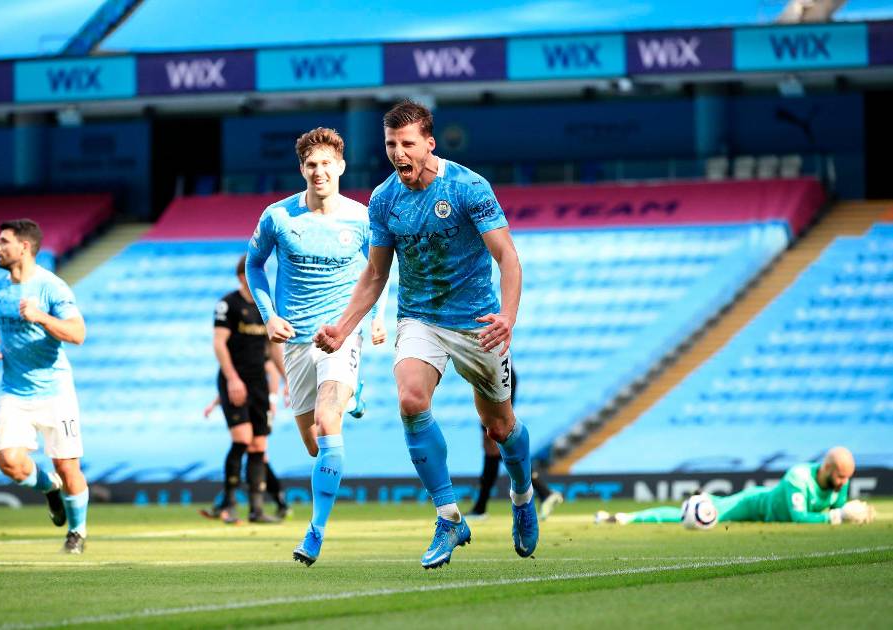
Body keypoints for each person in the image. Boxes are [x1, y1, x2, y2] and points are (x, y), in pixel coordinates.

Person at [314, 100, 538, 569]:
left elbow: (508, 257)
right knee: (411, 400)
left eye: (407, 143)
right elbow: (376, 274)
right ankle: (449, 516)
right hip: (419, 318)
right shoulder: (384, 200)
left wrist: (508, 316)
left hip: (477, 322)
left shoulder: (468, 187)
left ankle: (522, 495)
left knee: (500, 427)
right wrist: (343, 327)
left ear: (429, 144)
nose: (398, 152)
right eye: (391, 144)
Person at [246, 127, 389, 566]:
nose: (319, 171)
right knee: (314, 445)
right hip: (296, 340)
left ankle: (315, 531)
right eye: (312, 164)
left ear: (341, 167)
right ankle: (354, 394)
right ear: (302, 169)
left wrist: (378, 316)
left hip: (340, 334)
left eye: (327, 163)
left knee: (329, 424)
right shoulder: (278, 217)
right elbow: (254, 265)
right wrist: (269, 315)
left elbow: (380, 269)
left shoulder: (361, 218)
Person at [0, 219, 90, 554]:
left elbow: (78, 334)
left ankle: (77, 533)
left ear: (24, 247)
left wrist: (41, 316)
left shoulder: (51, 287)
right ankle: (49, 489)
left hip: (56, 392)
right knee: (9, 461)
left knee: (67, 467)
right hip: (14, 391)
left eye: (4, 241)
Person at [200, 255, 289, 524]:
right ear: (243, 277)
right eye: (255, 272)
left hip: (258, 381)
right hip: (234, 380)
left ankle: (256, 510)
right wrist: (232, 379)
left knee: (259, 444)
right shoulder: (228, 304)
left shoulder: (267, 307)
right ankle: (227, 504)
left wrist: (288, 380)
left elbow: (274, 347)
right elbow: (219, 343)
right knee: (242, 438)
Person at [596, 447, 876, 525]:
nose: (843, 483)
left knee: (711, 505)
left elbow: (840, 507)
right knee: (698, 515)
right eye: (840, 476)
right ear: (826, 467)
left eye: (847, 478)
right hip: (753, 504)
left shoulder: (840, 481)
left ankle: (707, 497)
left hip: (764, 511)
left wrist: (854, 514)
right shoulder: (798, 477)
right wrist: (837, 517)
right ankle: (624, 518)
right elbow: (798, 517)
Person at [467, 367, 563, 521]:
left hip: (495, 376)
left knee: (495, 440)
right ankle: (544, 492)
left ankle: (481, 508)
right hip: (492, 376)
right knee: (493, 445)